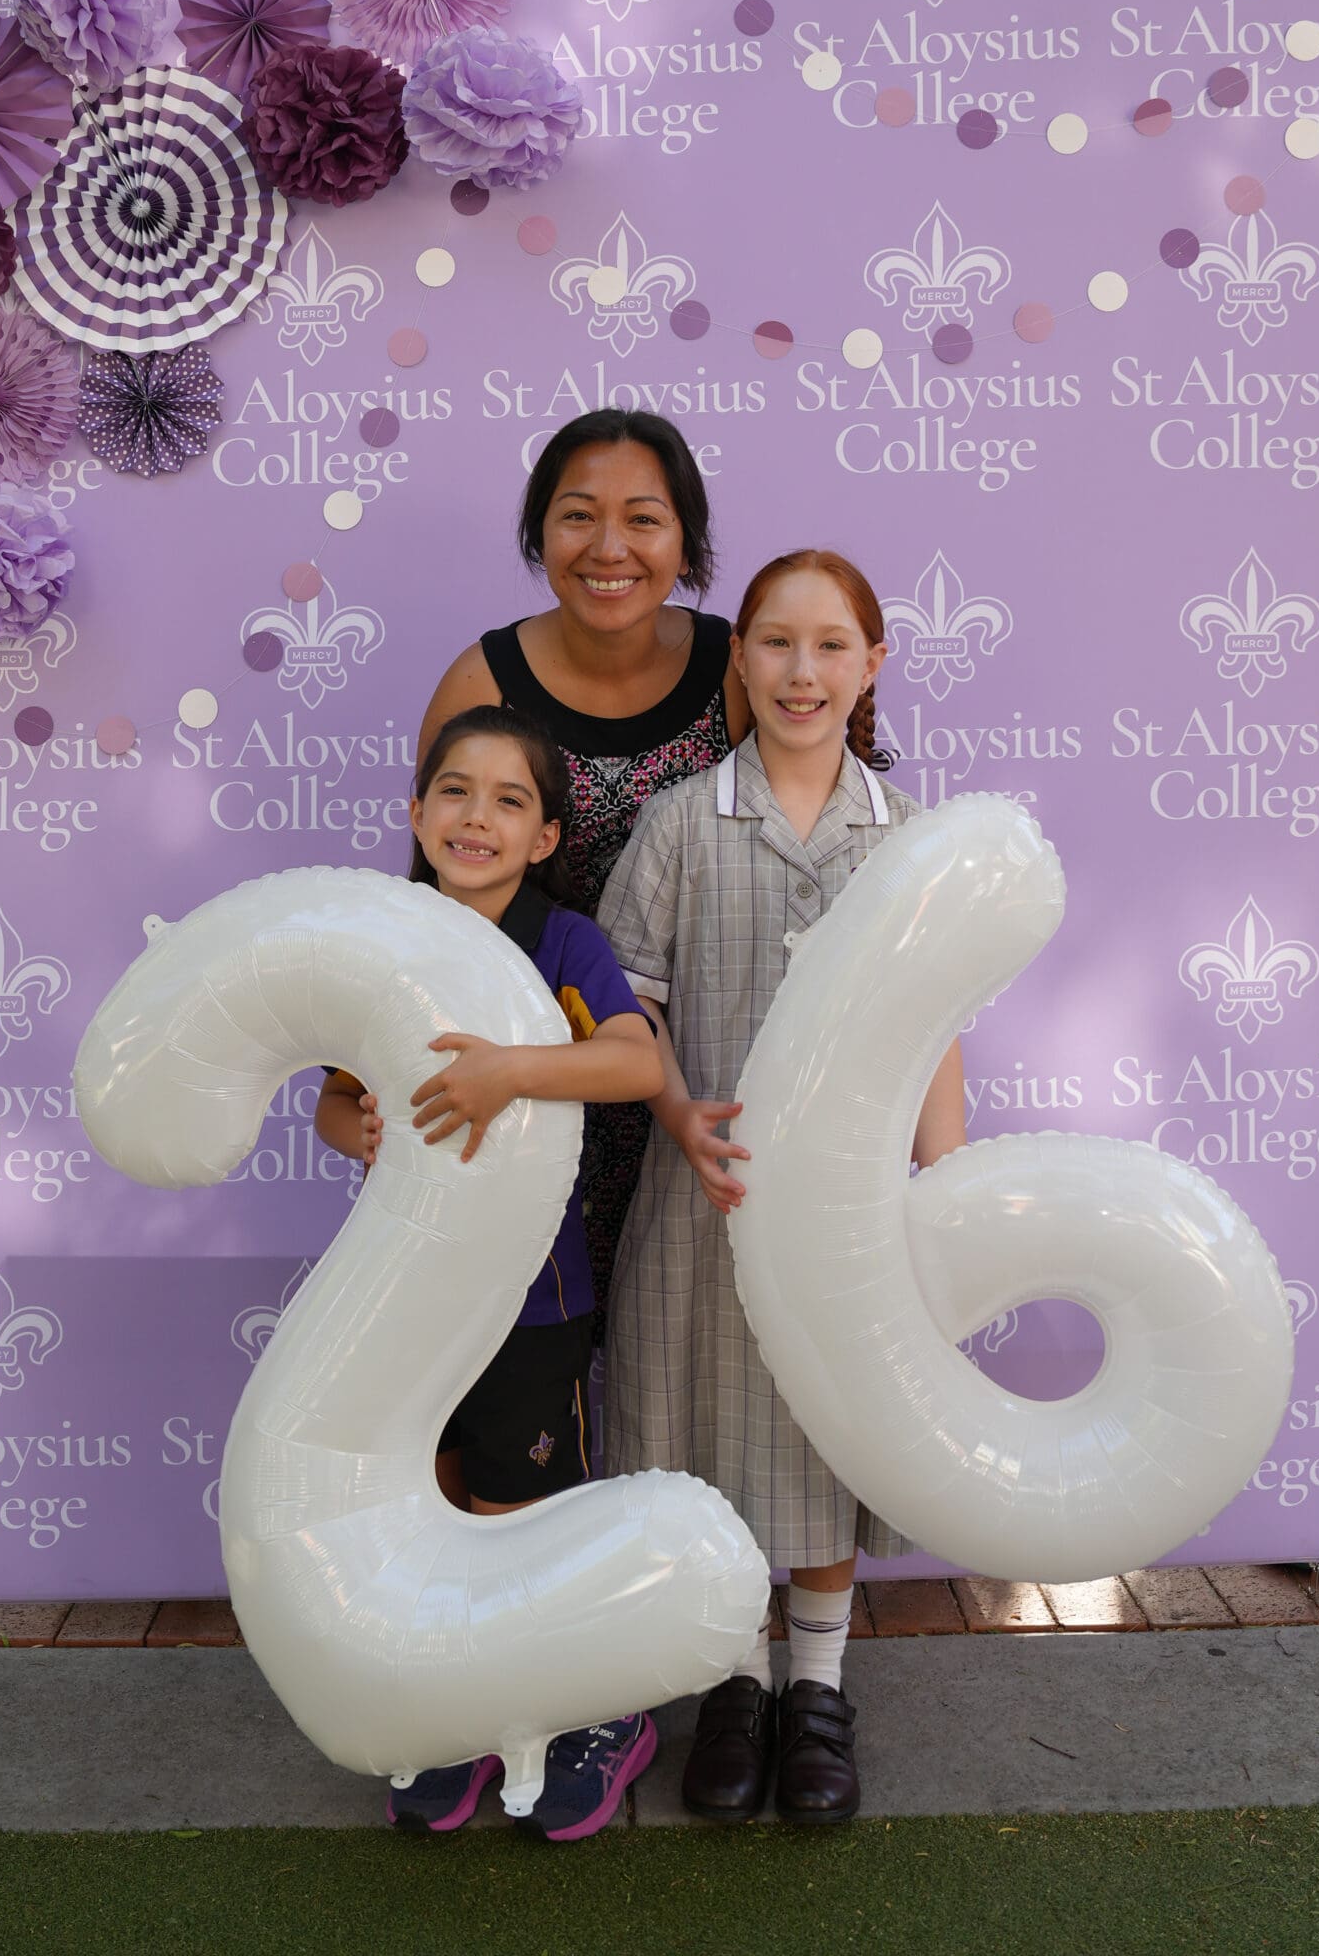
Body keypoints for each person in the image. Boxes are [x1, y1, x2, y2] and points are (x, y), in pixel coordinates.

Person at [597, 550, 967, 1827]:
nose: (800, 671)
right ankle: (734, 1686)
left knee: (823, 1439)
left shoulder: (909, 836)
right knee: (704, 1445)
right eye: (773, 642)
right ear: (738, 661)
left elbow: (932, 1028)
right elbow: (626, 1010)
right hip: (701, 1202)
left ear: (872, 663)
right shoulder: (679, 825)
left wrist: (942, 1192)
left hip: (845, 1219)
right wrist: (675, 1109)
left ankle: (816, 1691)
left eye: (829, 645)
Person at [317, 703, 665, 1842]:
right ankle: (456, 1717)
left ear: (545, 836)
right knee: (425, 1508)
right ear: (418, 813)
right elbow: (334, 1103)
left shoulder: (562, 943)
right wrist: (359, 1130)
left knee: (519, 1519)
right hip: (401, 1296)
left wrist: (511, 1070)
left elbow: (633, 1063)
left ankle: (582, 1713)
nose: (477, 817)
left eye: (509, 800)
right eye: (455, 793)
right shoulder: (381, 938)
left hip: (532, 1299)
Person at [419, 410, 748, 1321]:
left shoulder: (733, 670)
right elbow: (432, 896)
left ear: (685, 539)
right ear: (539, 532)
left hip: (698, 1071)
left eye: (643, 518)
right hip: (529, 1073)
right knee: (517, 1345)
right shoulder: (483, 681)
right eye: (576, 516)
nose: (609, 548)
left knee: (684, 1337)